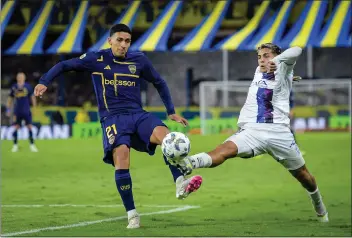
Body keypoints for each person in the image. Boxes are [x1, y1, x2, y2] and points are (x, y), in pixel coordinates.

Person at [34, 23, 202, 229]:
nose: (123, 45)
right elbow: (63, 66)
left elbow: (159, 82)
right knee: (122, 156)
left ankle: (180, 183)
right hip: (113, 118)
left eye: (127, 41)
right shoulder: (96, 59)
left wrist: (171, 111)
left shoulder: (139, 60)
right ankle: (132, 214)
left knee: (167, 137)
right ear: (110, 40)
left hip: (137, 114)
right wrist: (44, 81)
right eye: (120, 40)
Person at [173, 43, 328, 222]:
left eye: (267, 55)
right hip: (252, 131)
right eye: (260, 56)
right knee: (224, 150)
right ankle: (189, 163)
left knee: (303, 175)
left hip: (279, 133)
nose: (263, 59)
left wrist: (277, 63)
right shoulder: (259, 70)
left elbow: (297, 50)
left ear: (277, 55)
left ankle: (319, 206)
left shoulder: (284, 66)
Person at [7, 72, 38, 152]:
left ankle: (32, 145)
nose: (20, 78)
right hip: (17, 111)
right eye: (19, 77)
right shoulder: (14, 87)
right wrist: (8, 109)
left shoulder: (28, 86)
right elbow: (10, 99)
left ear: (24, 78)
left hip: (26, 110)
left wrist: (34, 108)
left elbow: (32, 97)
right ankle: (15, 145)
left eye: (21, 77)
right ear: (17, 78)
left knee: (29, 127)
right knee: (16, 127)